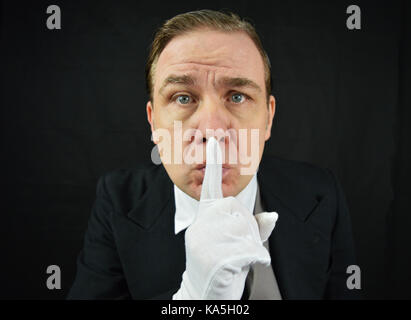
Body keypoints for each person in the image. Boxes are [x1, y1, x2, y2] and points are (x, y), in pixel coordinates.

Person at [67, 9, 359, 300]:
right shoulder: (117, 202)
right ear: (154, 121)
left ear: (268, 118)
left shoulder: (321, 194)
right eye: (183, 97)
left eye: (237, 96)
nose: (212, 129)